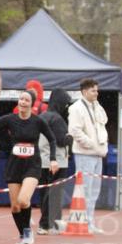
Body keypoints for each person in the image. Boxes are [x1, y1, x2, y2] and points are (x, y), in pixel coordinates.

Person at [0, 90, 58, 244]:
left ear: (32, 103)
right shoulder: (10, 119)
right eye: (21, 99)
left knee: (23, 200)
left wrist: (53, 159)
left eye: (26, 100)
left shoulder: (38, 121)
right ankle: (23, 234)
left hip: (32, 165)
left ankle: (28, 232)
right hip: (14, 165)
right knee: (15, 206)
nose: (22, 102)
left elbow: (52, 139)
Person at [68, 78, 109, 233]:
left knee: (94, 189)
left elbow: (103, 122)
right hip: (85, 153)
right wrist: (91, 144)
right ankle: (83, 221)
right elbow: (75, 131)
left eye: (97, 90)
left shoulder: (96, 106)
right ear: (84, 91)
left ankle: (90, 221)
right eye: (93, 90)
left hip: (98, 153)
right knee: (85, 188)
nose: (96, 93)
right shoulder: (76, 108)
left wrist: (101, 146)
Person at [37, 88, 71, 234]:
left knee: (45, 192)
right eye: (65, 104)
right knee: (54, 193)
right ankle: (47, 224)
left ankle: (49, 223)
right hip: (57, 161)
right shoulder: (57, 119)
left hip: (43, 160)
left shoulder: (43, 115)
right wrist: (71, 137)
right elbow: (62, 140)